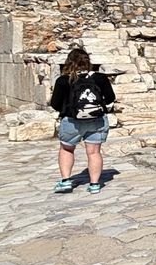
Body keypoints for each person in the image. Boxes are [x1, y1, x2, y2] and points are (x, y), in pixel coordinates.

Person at [49, 46, 115, 194]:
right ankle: (94, 184)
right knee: (94, 152)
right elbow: (111, 98)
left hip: (71, 121)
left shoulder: (64, 80)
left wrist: (67, 109)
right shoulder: (100, 78)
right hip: (97, 120)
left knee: (67, 149)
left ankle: (66, 181)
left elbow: (55, 103)